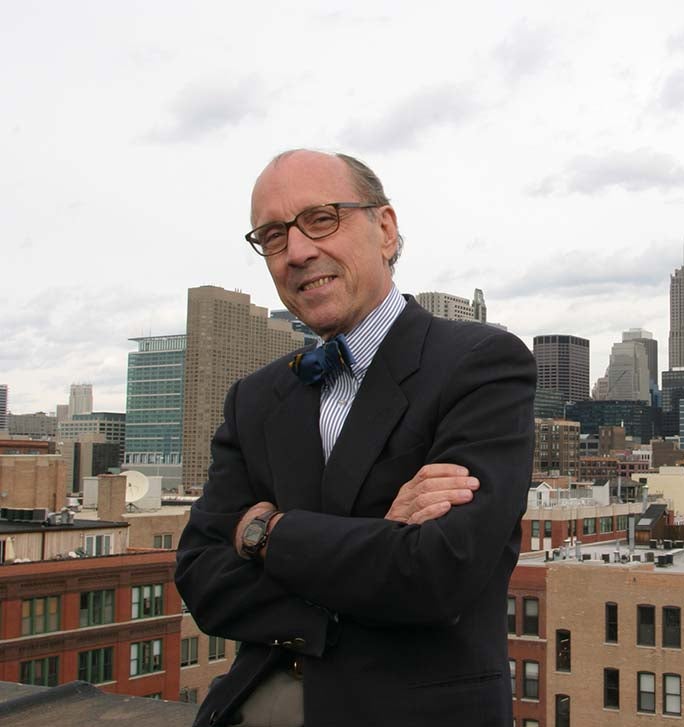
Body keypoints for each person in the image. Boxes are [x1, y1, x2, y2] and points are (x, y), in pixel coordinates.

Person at [175, 149, 536, 727]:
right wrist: (374, 550)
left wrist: (266, 534)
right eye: (272, 236)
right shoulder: (255, 398)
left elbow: (439, 574)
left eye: (322, 219)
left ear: (385, 229)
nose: (296, 251)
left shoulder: (480, 363)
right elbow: (201, 579)